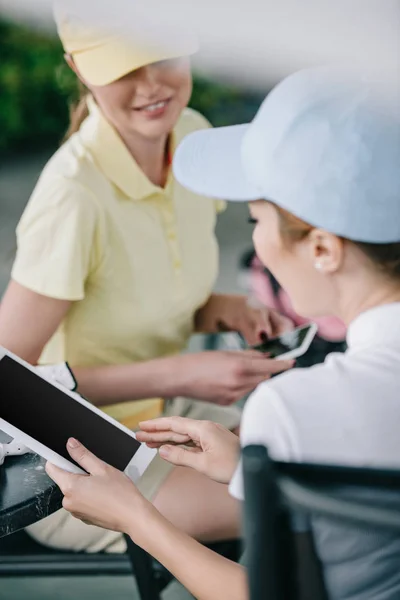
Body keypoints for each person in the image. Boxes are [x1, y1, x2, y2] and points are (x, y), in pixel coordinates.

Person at [46, 66, 400, 600]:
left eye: (256, 219)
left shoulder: (292, 408)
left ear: (324, 249)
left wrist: (134, 516)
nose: (256, 245)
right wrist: (247, 467)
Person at [0, 4, 292, 553]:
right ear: (78, 67)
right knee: (295, 508)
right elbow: (9, 385)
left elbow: (145, 286)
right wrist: (177, 372)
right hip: (76, 455)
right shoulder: (72, 195)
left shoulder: (191, 136)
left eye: (164, 55)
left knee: (326, 469)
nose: (151, 85)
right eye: (123, 67)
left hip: (167, 418)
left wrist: (221, 309)